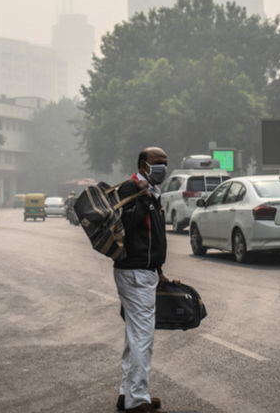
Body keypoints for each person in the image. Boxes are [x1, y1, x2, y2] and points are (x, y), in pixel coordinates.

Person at [113, 147, 170, 413]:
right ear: (143, 164)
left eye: (166, 163)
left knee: (134, 337)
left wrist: (158, 270)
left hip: (144, 272)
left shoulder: (151, 192)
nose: (163, 167)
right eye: (158, 162)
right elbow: (126, 225)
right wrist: (140, 196)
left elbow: (149, 237)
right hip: (134, 272)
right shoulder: (132, 188)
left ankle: (128, 393)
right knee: (142, 338)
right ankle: (138, 399)